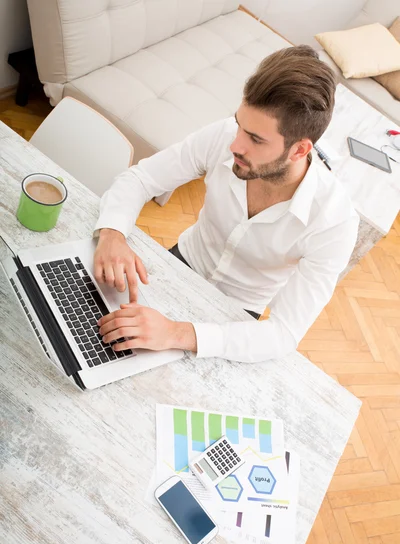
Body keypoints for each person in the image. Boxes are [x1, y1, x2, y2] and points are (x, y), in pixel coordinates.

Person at [93, 45, 359, 363]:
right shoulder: (226, 137)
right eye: (238, 125)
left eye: (256, 139)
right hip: (177, 264)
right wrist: (112, 233)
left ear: (299, 150)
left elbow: (283, 334)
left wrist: (177, 333)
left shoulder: (335, 222)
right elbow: (141, 178)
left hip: (235, 317)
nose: (235, 145)